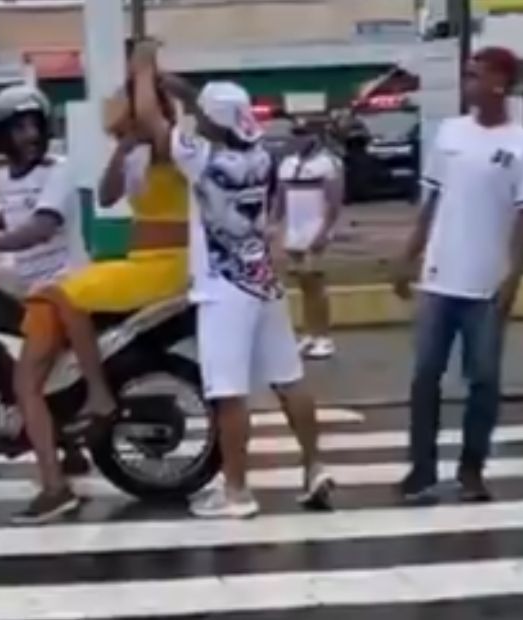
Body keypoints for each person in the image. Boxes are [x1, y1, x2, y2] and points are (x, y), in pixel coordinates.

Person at [131, 43, 333, 519]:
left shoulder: (200, 158)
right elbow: (210, 105)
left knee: (227, 392)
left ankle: (237, 491)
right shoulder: (261, 155)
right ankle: (314, 467)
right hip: (263, 281)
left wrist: (142, 70)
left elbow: (150, 118)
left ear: (212, 123)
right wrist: (169, 78)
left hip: (223, 289)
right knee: (290, 380)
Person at [391, 47, 523, 505]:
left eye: (476, 76)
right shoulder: (450, 134)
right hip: (440, 278)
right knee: (425, 377)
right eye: (466, 75)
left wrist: (513, 278)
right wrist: (407, 257)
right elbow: (432, 202)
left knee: (483, 380)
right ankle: (420, 471)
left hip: (486, 286)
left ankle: (471, 469)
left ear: (500, 81)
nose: (468, 83)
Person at [24, 44, 191, 438]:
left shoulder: (175, 149)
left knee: (66, 292)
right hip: (141, 260)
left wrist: (144, 69)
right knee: (61, 289)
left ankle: (99, 395)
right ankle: (82, 384)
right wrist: (122, 148)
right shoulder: (138, 154)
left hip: (169, 263)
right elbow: (106, 195)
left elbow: (152, 115)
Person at [0, 85, 90, 524]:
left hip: (62, 291)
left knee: (26, 384)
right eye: (18, 127)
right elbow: (14, 216)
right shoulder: (9, 177)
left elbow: (40, 228)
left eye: (34, 126)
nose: (28, 135)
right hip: (30, 288)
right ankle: (67, 445)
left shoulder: (60, 171)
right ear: (0, 135)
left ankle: (54, 488)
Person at [276, 124, 344, 360]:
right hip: (294, 231)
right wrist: (275, 225)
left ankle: (323, 336)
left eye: (303, 134)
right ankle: (309, 334)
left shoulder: (328, 164)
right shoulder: (287, 164)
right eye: (294, 134)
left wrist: (323, 232)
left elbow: (334, 202)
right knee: (303, 285)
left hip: (316, 229)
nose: (297, 139)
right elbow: (280, 199)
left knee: (316, 285)